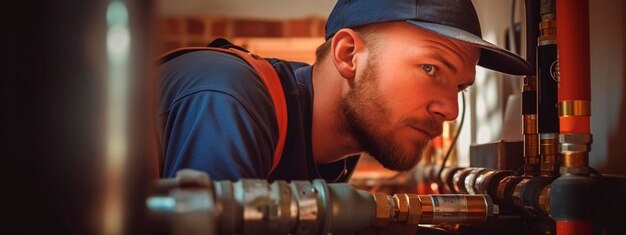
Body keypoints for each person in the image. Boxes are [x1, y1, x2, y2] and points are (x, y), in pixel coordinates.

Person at [156, 0, 530, 182]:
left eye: (461, 87)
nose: (450, 110)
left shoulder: (338, 152)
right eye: (430, 68)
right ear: (349, 55)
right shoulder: (229, 101)